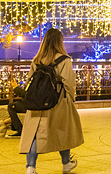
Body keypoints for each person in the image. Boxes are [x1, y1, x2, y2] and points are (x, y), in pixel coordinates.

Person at [19, 28, 83, 174]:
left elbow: (29, 80)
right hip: (57, 101)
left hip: (37, 102)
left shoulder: (36, 60)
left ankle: (31, 167)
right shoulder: (64, 60)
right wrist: (71, 100)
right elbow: (69, 83)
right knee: (63, 132)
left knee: (34, 134)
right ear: (60, 42)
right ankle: (66, 163)